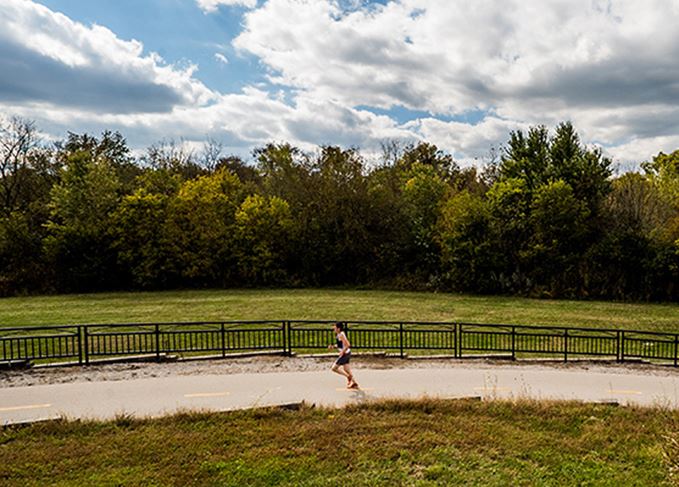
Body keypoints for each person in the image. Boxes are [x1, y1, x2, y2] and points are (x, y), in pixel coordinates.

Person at [328, 322, 359, 389]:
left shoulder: (341, 335)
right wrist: (333, 346)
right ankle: (354, 383)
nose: (334, 329)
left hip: (345, 354)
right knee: (346, 369)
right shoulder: (340, 334)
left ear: (338, 328)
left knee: (334, 368)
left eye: (335, 327)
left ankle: (348, 377)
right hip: (347, 353)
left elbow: (347, 344)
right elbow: (341, 345)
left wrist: (342, 352)